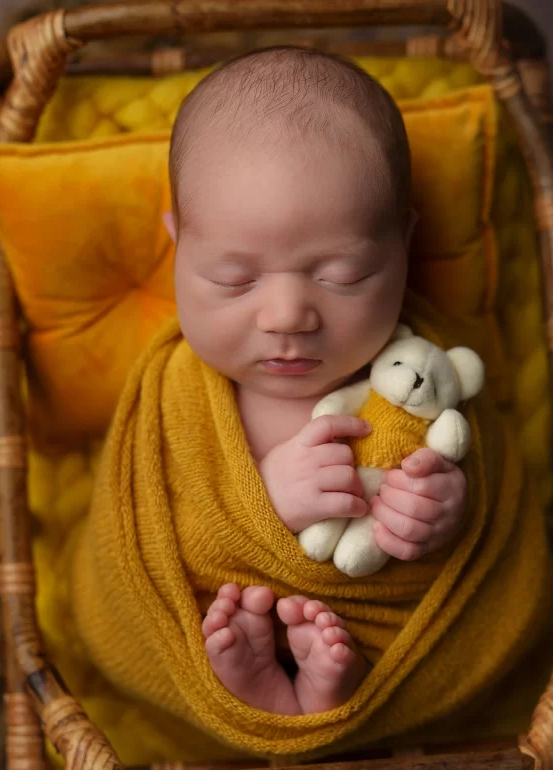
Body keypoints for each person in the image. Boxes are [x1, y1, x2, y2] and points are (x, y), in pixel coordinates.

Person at [163, 46, 469, 715]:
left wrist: (441, 516)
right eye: (234, 279)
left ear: (402, 246)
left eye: (342, 276)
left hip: (399, 643)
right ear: (176, 242)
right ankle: (252, 681)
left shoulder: (422, 375)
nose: (287, 317)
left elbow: (492, 510)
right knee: (212, 625)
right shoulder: (170, 397)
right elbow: (147, 533)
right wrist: (259, 506)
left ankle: (339, 690)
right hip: (223, 613)